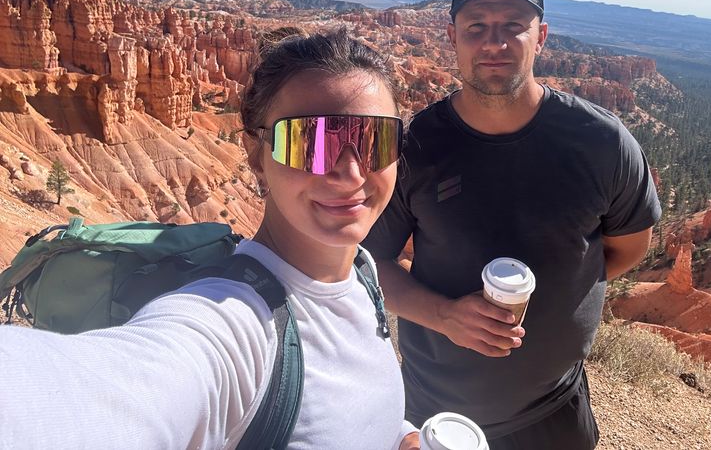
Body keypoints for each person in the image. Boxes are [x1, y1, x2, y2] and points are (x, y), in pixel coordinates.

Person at [0, 30, 420, 450]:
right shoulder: (234, 329)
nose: (349, 173)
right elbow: (87, 397)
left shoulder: (362, 270)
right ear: (257, 155)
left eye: (373, 140)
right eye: (310, 142)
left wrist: (402, 435)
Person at [365, 0, 661, 449]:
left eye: (513, 27)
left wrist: (564, 289)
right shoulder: (415, 146)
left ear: (541, 36)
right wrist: (444, 316)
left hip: (554, 409)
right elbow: (370, 263)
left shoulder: (602, 142)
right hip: (437, 411)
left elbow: (627, 248)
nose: (494, 43)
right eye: (476, 26)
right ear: (453, 36)